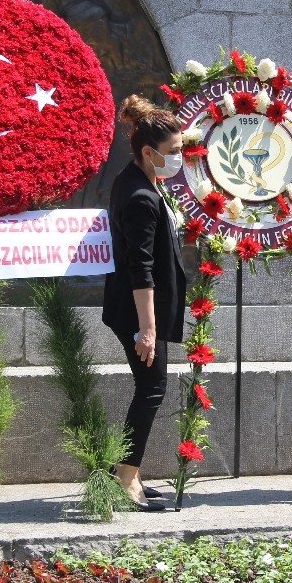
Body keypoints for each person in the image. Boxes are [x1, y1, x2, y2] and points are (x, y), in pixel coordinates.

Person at [102, 95, 186, 511]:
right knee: (152, 388)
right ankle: (126, 476)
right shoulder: (139, 196)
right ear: (149, 152)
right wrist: (148, 329)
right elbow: (141, 269)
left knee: (149, 387)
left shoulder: (140, 181)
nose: (180, 158)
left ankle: (125, 469)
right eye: (173, 152)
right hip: (136, 311)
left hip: (138, 309)